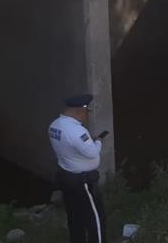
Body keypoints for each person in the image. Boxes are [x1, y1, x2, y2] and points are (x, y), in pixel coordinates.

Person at [49, 94, 108, 243]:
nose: (86, 116)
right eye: (87, 112)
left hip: (66, 177)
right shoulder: (77, 131)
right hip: (83, 181)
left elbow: (71, 146)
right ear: (80, 110)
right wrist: (99, 141)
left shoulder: (54, 125)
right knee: (96, 218)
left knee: (74, 216)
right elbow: (92, 152)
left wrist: (88, 142)